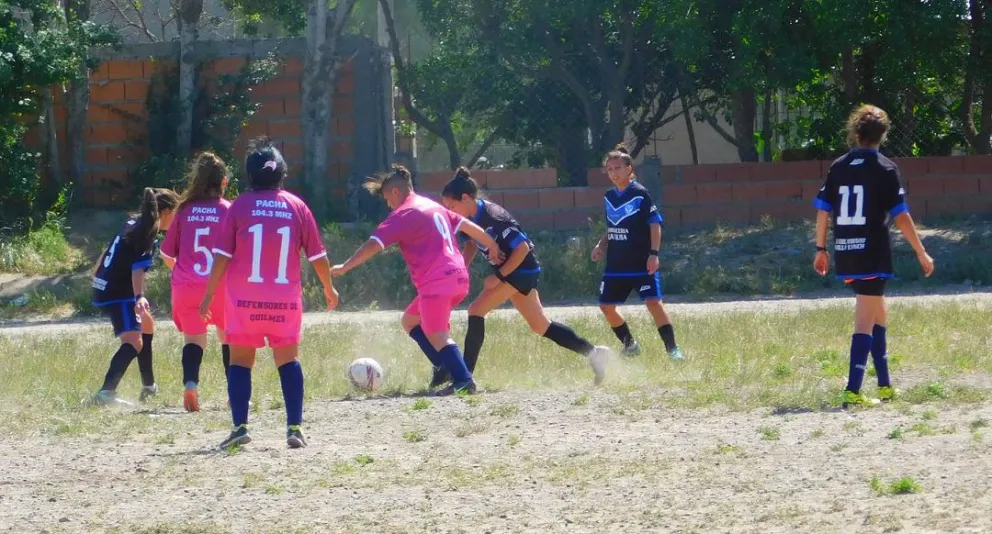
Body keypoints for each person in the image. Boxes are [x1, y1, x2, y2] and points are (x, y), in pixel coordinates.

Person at [200, 137, 338, 449]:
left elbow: (222, 256)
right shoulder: (297, 206)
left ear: (249, 176)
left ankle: (239, 427)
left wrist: (208, 295)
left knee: (240, 361)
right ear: (282, 175)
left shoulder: (238, 207)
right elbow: (318, 257)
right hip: (284, 301)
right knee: (288, 360)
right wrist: (329, 288)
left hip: (244, 301)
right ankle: (294, 428)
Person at [331, 165, 503, 396]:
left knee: (437, 333)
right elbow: (469, 226)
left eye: (387, 199)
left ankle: (463, 380)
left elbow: (373, 245)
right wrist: (491, 245)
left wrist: (346, 266)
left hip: (437, 281)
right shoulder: (434, 207)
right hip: (459, 277)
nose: (389, 205)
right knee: (410, 321)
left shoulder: (403, 214)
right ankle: (443, 366)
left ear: (395, 192)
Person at [432, 168, 610, 387]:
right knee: (540, 325)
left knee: (475, 310)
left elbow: (523, 248)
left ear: (466, 198)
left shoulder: (494, 216)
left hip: (521, 270)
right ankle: (594, 354)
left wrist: (498, 277)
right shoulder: (468, 218)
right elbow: (471, 242)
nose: (450, 211)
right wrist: (462, 268)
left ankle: (464, 378)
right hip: (517, 272)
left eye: (452, 206)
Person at [813, 105, 935, 408]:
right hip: (871, 252)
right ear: (883, 133)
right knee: (865, 320)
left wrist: (820, 248)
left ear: (856, 132)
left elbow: (822, 208)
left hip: (846, 250)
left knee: (879, 312)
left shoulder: (839, 165)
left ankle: (885, 386)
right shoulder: (885, 168)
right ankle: (852, 390)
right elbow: (901, 216)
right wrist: (921, 251)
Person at [592, 144, 683, 360]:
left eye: (618, 168)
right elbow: (614, 226)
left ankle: (673, 350)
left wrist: (654, 253)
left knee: (653, 302)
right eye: (610, 169)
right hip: (616, 264)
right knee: (606, 306)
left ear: (629, 169)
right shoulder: (608, 196)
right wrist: (601, 244)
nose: (614, 173)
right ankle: (630, 345)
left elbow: (654, 224)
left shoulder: (640, 194)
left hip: (640, 262)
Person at [90, 187, 179, 406]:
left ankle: (149, 387)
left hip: (105, 284)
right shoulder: (147, 232)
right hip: (118, 292)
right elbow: (137, 270)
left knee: (146, 325)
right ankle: (105, 393)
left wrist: (96, 275)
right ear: (166, 211)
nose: (176, 221)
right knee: (134, 341)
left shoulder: (133, 222)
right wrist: (139, 296)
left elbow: (109, 250)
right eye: (175, 214)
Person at [160, 152, 233, 412]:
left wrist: (182, 273)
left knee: (193, 340)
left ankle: (191, 385)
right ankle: (234, 394)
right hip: (221, 286)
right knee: (229, 339)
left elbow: (167, 253)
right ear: (223, 182)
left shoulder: (184, 210)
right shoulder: (229, 210)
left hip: (187, 286)